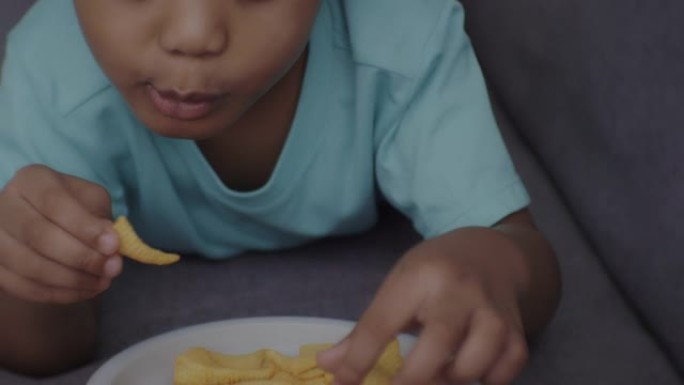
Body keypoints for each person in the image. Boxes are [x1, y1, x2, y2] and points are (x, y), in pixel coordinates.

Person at [0, 0, 561, 384]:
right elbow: (44, 352)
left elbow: (523, 258)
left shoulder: (402, 38)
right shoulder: (51, 71)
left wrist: (493, 261)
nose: (192, 35)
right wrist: (39, 277)